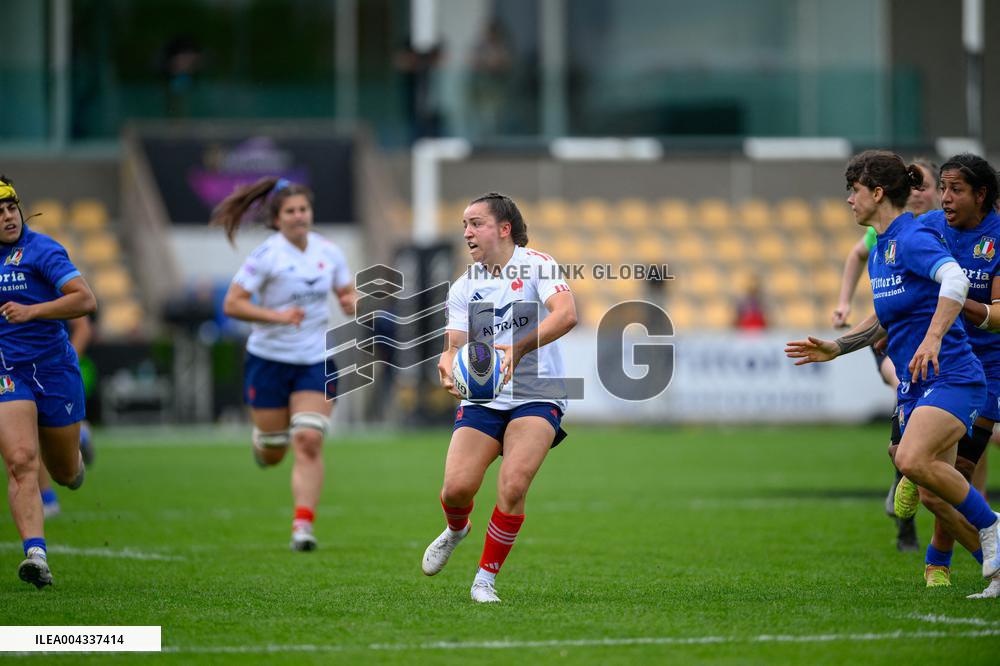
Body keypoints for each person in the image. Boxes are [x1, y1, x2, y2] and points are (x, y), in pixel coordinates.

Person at [785, 150, 1000, 585]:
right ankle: (992, 569)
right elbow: (885, 318)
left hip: (954, 376)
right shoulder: (884, 247)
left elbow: (956, 281)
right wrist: (838, 346)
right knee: (931, 494)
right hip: (920, 384)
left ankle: (993, 526)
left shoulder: (912, 236)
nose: (849, 200)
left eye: (855, 191)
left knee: (910, 457)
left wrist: (935, 337)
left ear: (878, 193)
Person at [422, 192, 577, 603]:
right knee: (455, 490)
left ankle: (484, 579)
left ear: (503, 229)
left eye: (475, 223)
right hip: (485, 394)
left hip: (538, 390)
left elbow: (567, 314)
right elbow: (453, 345)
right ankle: (457, 529)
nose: (467, 232)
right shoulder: (462, 287)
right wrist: (447, 363)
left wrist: (520, 348)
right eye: (464, 226)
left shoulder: (536, 265)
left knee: (513, 484)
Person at [211, 177, 356, 552]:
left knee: (308, 439)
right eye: (290, 211)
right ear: (276, 219)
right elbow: (232, 304)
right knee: (275, 452)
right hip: (268, 360)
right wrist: (276, 316)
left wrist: (351, 301)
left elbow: (345, 291)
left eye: (303, 210)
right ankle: (264, 442)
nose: (298, 216)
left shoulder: (329, 251)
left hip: (315, 359)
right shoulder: (265, 256)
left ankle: (303, 526)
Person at [894, 154, 1000, 595]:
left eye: (957, 190)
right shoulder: (932, 225)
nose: (947, 197)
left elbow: (997, 317)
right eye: (943, 187)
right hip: (936, 362)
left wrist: (954, 297)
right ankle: (981, 562)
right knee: (926, 469)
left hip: (985, 370)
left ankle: (938, 563)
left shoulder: (996, 239)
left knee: (956, 473)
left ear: (982, 195)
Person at [831, 158, 941, 552]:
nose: (922, 192)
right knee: (901, 384)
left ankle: (961, 534)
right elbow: (856, 256)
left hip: (938, 346)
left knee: (943, 457)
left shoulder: (931, 232)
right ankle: (910, 517)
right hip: (892, 338)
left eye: (928, 185)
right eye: (918, 184)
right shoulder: (884, 236)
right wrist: (844, 304)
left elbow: (954, 283)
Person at [0, 175, 97, 588]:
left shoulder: (42, 250)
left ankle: (78, 454)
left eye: (10, 208)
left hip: (55, 370)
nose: (7, 217)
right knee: (21, 460)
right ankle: (36, 555)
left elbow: (85, 299)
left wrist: (32, 312)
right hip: (7, 373)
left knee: (64, 473)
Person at [39, 315, 96, 517]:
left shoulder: (52, 283)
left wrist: (66, 361)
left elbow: (83, 327)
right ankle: (46, 498)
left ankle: (79, 435)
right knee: (22, 439)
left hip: (54, 370)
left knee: (66, 472)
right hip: (16, 371)